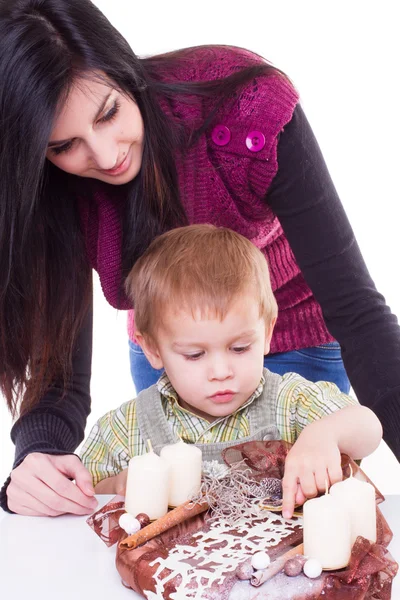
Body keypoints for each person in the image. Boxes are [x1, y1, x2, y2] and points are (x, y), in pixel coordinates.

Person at [0, 0, 399, 516]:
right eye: (66, 145)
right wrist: (36, 459)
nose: (104, 156)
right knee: (186, 518)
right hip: (175, 341)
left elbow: (358, 312)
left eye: (109, 113)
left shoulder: (242, 110)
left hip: (292, 333)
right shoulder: (53, 192)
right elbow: (61, 370)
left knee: (292, 516)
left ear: (124, 70)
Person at [80, 225, 382, 519]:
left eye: (239, 348)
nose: (222, 372)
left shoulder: (289, 402)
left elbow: (369, 427)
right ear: (153, 350)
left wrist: (324, 434)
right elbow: (85, 493)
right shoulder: (126, 428)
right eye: (195, 355)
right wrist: (117, 486)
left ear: (266, 332)